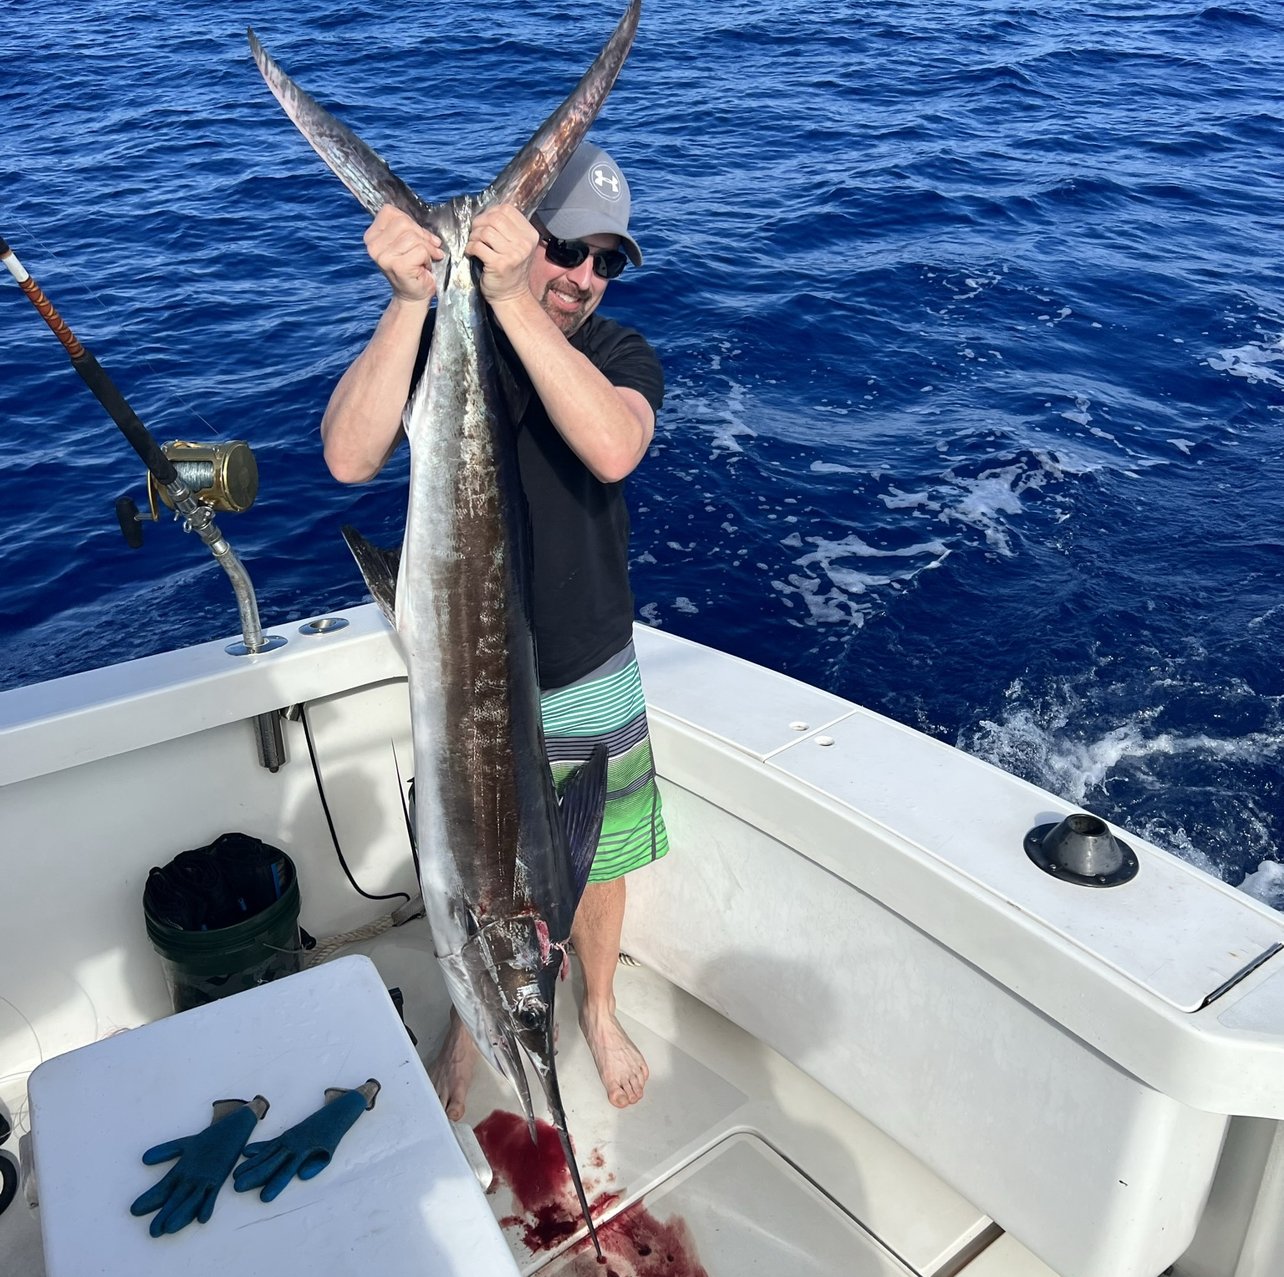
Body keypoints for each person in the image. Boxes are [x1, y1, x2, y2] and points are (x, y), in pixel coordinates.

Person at [320, 141, 668, 1116]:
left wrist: (508, 293)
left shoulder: (616, 353)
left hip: (588, 656)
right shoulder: (443, 336)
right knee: (520, 866)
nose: (587, 277)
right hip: (470, 688)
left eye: (609, 260)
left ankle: (595, 1005)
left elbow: (613, 445)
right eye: (568, 249)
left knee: (603, 864)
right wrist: (409, 298)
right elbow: (348, 456)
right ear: (524, 240)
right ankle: (472, 1039)